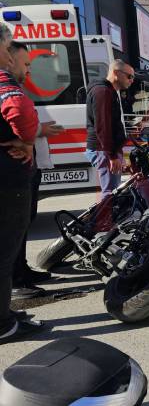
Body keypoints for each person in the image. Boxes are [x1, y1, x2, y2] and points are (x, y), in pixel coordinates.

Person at [0, 25, 46, 345]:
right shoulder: (6, 85)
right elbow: (19, 110)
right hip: (8, 182)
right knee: (4, 256)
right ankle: (4, 324)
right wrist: (27, 141)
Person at [9, 41, 63, 299]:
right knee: (12, 229)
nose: (29, 71)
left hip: (25, 168)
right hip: (12, 171)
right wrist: (31, 137)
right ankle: (15, 281)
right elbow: (20, 119)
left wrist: (29, 138)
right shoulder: (7, 89)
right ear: (9, 59)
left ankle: (21, 271)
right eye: (26, 64)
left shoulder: (15, 87)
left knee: (22, 224)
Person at [85, 59, 134, 200]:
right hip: (103, 150)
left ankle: (108, 220)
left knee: (112, 192)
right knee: (111, 194)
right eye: (129, 76)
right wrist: (112, 155)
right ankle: (105, 222)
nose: (131, 80)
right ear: (116, 73)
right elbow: (103, 126)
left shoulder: (108, 91)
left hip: (106, 150)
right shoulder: (103, 92)